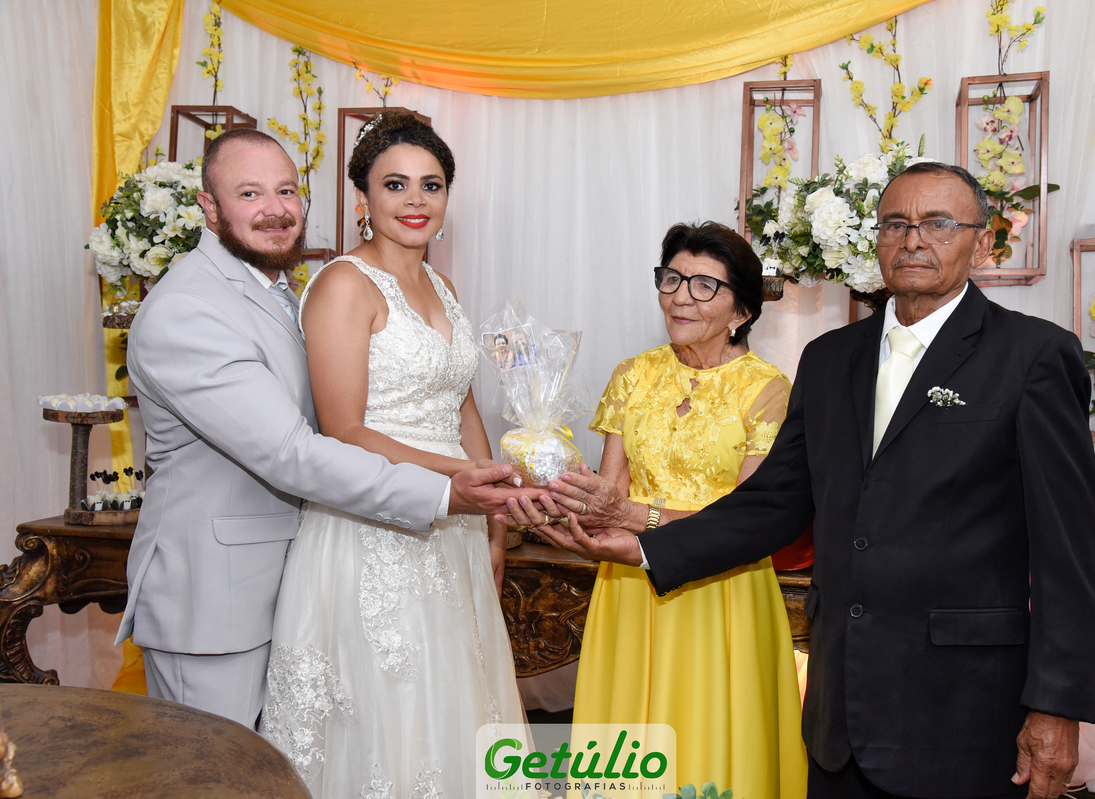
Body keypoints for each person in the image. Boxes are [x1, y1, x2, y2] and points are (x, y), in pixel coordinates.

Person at [517, 163, 1095, 799]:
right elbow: (774, 503)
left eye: (938, 224)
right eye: (896, 224)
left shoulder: (1034, 355)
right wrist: (643, 545)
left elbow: (1068, 551)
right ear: (876, 241)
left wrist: (1057, 706)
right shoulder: (829, 359)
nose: (913, 240)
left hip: (962, 704)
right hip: (838, 703)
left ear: (982, 243)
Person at [117, 127, 534, 730]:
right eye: (250, 193)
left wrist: (485, 509)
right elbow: (295, 450)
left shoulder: (277, 290)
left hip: (301, 570)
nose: (275, 209)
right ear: (208, 205)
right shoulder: (189, 307)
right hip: (217, 603)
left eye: (286, 191)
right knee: (218, 771)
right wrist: (454, 489)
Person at [259, 113, 523, 798]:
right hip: (371, 528)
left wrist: (494, 515)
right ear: (363, 197)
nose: (415, 200)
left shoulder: (445, 289)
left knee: (453, 704)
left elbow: (463, 409)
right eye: (395, 184)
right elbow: (343, 430)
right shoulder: (343, 284)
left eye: (431, 185)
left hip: (455, 523)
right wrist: (465, 477)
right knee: (388, 716)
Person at [528, 222, 808, 797]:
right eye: (672, 279)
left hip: (722, 587)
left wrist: (633, 519)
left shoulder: (769, 391)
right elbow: (608, 496)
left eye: (705, 285)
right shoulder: (633, 375)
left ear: (741, 311)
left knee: (710, 738)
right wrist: (552, 493)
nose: (681, 296)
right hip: (630, 583)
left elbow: (748, 521)